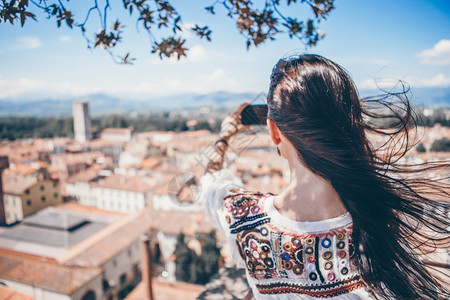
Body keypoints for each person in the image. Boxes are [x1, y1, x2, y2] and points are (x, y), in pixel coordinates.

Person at [198, 54, 449, 299]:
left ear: (274, 132)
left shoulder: (244, 218)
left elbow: (211, 181)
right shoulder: (382, 219)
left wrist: (226, 134)